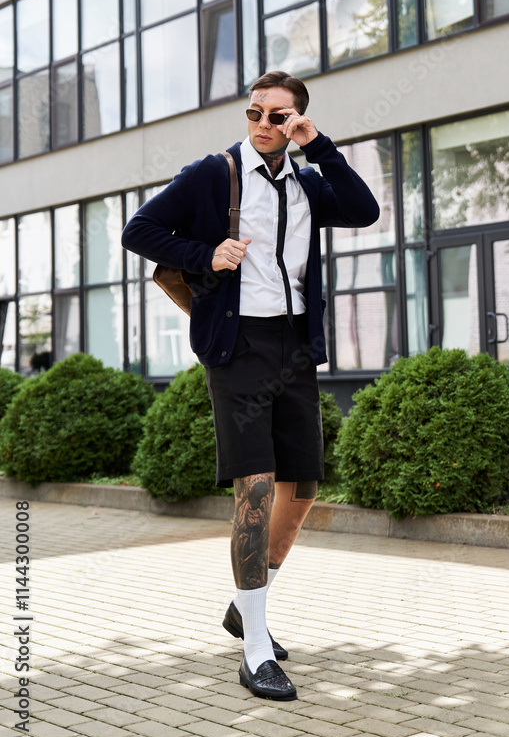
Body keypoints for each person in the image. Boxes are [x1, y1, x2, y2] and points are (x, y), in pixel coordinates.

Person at [121, 71, 380, 701]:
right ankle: (256, 649)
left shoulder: (308, 180)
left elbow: (365, 210)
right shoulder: (214, 173)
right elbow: (140, 230)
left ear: (296, 122)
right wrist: (206, 254)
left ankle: (246, 602)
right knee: (256, 487)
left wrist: (319, 147)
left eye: (279, 117)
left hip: (295, 345)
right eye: (256, 113)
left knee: (304, 485)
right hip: (238, 347)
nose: (264, 125)